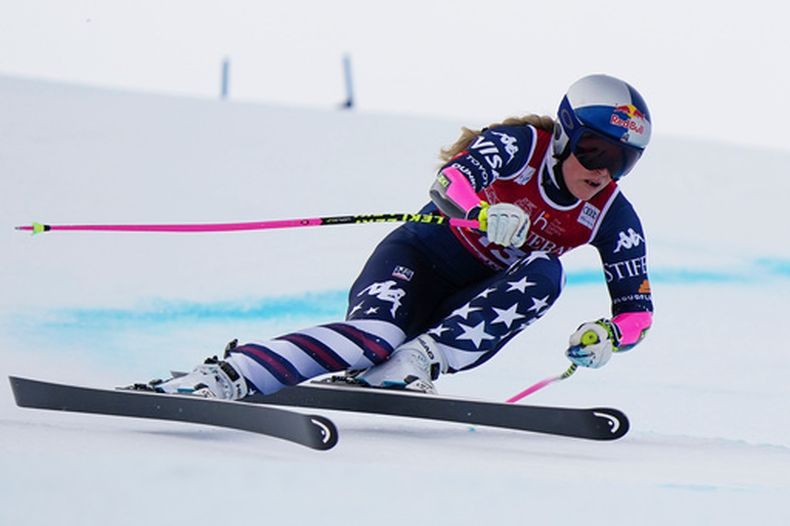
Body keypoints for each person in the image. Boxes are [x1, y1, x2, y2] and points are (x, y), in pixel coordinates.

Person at [146, 73, 654, 400]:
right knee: (372, 339)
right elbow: (449, 183)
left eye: (622, 161)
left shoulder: (612, 214)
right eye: (593, 150)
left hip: (466, 307)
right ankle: (221, 377)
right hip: (416, 262)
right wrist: (482, 212)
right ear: (565, 135)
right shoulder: (523, 146)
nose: (604, 171)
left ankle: (415, 364)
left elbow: (637, 312)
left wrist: (609, 335)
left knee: (547, 272)